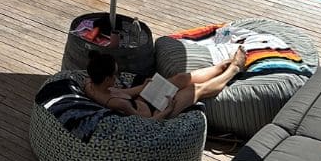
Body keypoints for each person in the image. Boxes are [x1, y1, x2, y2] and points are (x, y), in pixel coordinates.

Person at [83, 47, 246, 120]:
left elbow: (125, 93)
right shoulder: (118, 104)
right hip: (157, 113)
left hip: (144, 100)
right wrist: (167, 110)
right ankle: (234, 69)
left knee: (181, 78)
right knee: (195, 90)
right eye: (115, 74)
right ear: (106, 79)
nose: (117, 77)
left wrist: (143, 87)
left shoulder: (90, 83)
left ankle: (218, 68)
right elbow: (147, 124)